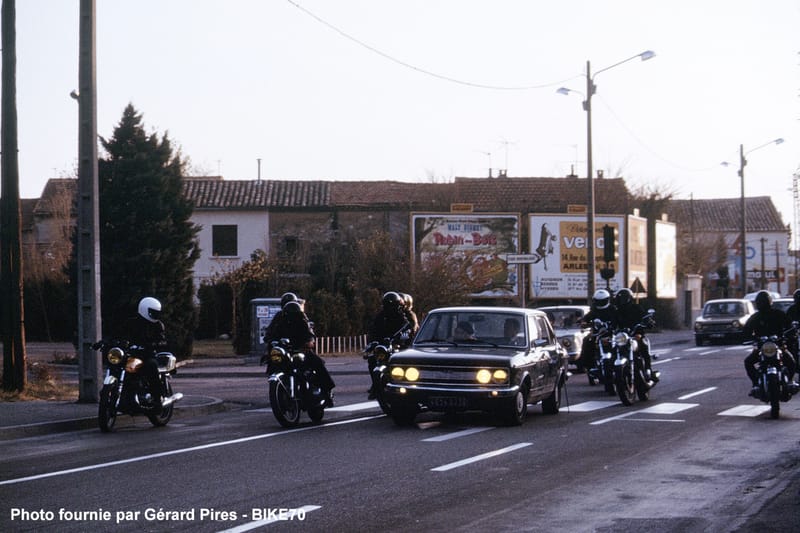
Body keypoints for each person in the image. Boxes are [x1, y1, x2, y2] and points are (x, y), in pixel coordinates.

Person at [266, 298, 336, 407]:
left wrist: (309, 342)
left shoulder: (302, 319)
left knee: (317, 363)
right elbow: (270, 332)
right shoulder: (279, 319)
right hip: (284, 349)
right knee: (272, 362)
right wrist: (270, 340)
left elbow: (309, 333)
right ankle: (278, 391)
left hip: (299, 349)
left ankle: (327, 392)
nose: (291, 315)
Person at [743, 290, 798, 397]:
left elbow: (789, 326)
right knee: (748, 362)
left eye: (764, 302)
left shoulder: (778, 314)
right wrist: (750, 338)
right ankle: (756, 384)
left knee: (791, 361)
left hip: (778, 345)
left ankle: (790, 382)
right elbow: (746, 330)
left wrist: (789, 334)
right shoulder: (755, 317)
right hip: (761, 348)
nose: (763, 304)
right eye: (761, 302)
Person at [366, 292, 412, 398]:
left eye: (392, 305)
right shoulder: (380, 316)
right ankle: (375, 385)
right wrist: (372, 342)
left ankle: (402, 382)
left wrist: (403, 338)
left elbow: (408, 328)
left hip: (397, 345)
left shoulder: (402, 316)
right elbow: (373, 330)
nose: (389, 308)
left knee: (401, 361)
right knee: (372, 359)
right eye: (387, 305)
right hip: (383, 344)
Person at [125, 296, 168, 407]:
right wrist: (105, 342)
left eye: (157, 313)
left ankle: (157, 398)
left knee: (151, 365)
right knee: (119, 365)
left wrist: (154, 344)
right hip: (132, 355)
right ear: (145, 309)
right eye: (153, 312)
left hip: (147, 355)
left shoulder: (158, 325)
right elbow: (120, 334)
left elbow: (163, 341)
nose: (156, 315)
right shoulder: (131, 323)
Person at [614, 288, 658, 383]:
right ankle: (611, 373)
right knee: (613, 348)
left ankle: (648, 370)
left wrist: (649, 322)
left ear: (629, 298)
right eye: (620, 299)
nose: (622, 301)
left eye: (624, 298)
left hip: (636, 334)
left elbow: (644, 317)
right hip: (622, 337)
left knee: (643, 346)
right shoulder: (616, 311)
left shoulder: (636, 308)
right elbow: (612, 323)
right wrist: (609, 328)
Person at [577, 289, 617, 372]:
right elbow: (587, 318)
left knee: (620, 344)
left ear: (607, 300)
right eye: (598, 301)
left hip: (611, 333)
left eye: (602, 301)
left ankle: (619, 363)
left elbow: (619, 319)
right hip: (597, 334)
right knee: (587, 340)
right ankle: (588, 365)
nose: (600, 303)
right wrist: (584, 322)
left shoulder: (613, 309)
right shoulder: (594, 310)